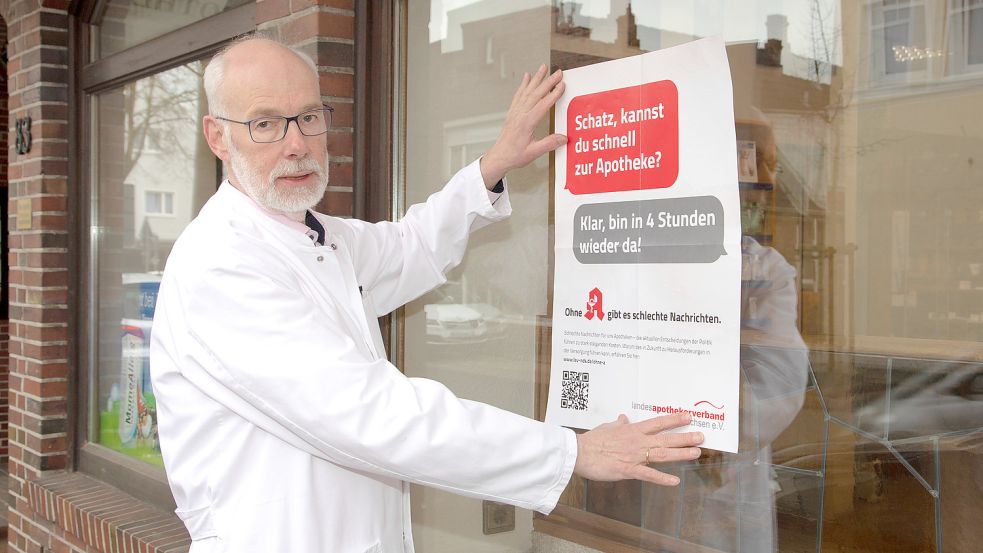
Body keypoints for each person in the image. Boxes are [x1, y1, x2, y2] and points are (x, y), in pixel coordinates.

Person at [149, 35, 704, 553]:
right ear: (218, 137)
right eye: (265, 124)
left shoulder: (316, 235)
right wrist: (570, 451)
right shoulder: (220, 266)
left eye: (310, 117)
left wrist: (492, 167)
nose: (297, 144)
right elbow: (371, 416)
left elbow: (410, 246)